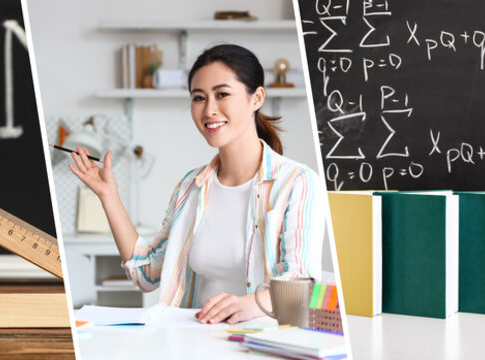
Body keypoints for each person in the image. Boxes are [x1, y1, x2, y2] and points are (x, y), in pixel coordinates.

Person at [69, 44, 326, 325]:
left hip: (264, 343)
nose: (209, 110)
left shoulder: (298, 182)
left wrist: (248, 304)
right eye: (198, 98)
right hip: (192, 340)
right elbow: (147, 275)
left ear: (257, 98)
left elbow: (302, 286)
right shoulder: (190, 187)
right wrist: (109, 196)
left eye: (222, 94)